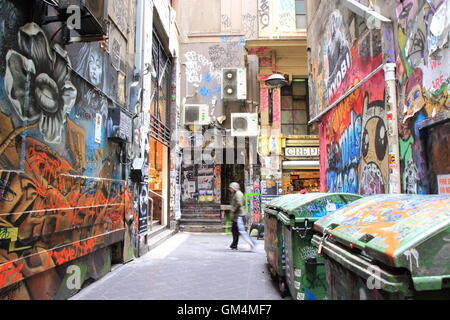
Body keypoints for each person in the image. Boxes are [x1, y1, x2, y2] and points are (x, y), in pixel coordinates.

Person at [228, 182, 257, 250]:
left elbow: (239, 203)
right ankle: (234, 245)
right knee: (234, 230)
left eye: (231, 188)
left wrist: (233, 210)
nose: (230, 189)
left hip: (239, 216)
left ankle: (253, 243)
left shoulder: (238, 194)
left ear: (234, 188)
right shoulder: (235, 193)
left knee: (242, 231)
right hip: (237, 216)